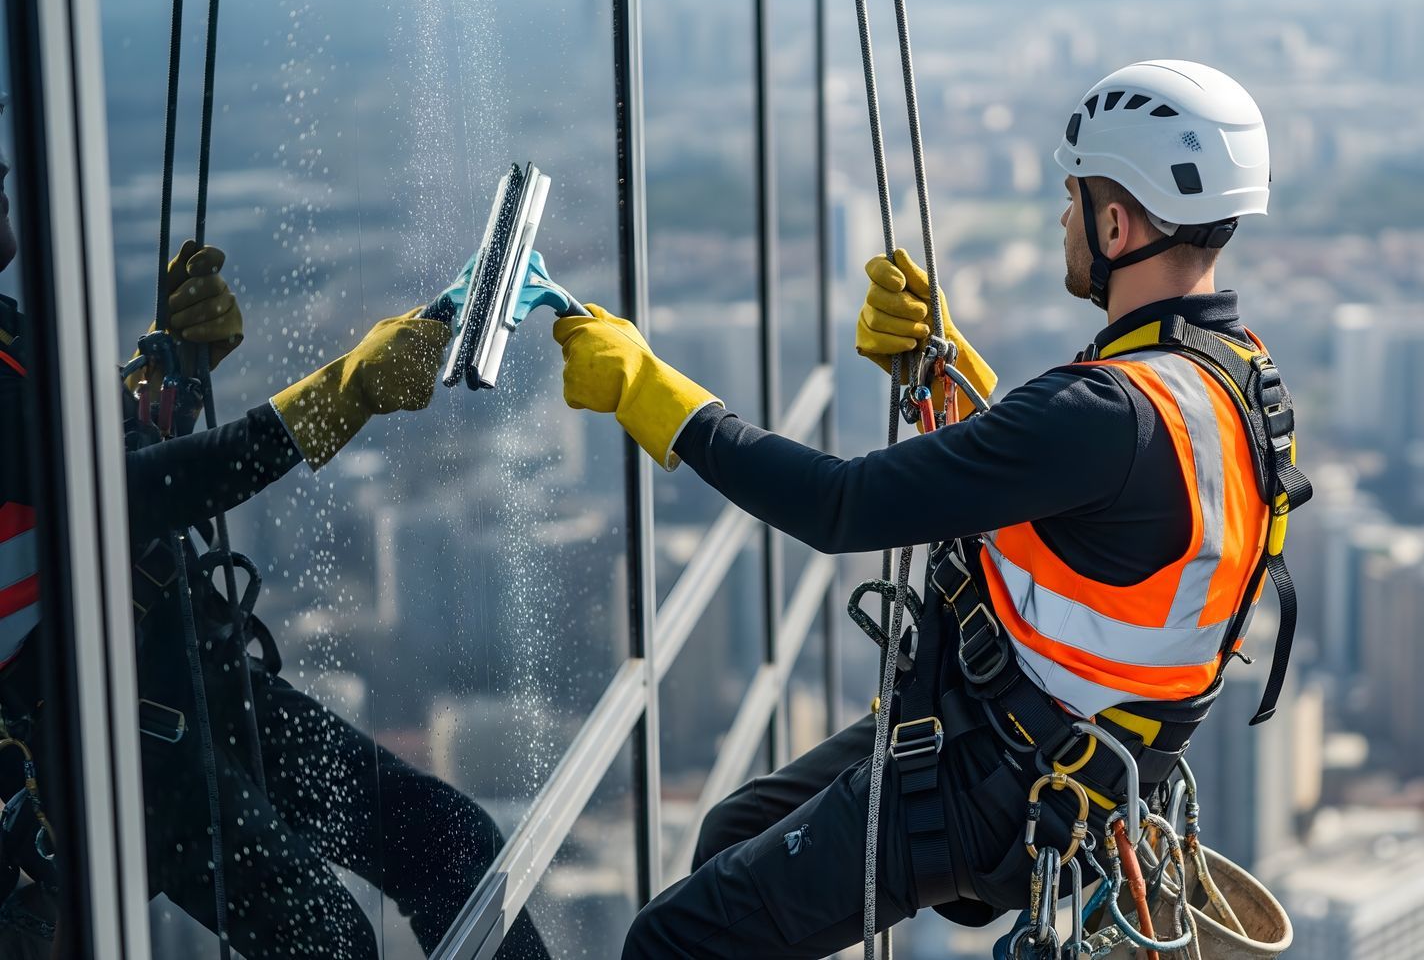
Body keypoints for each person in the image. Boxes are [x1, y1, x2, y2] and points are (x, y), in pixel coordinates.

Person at [553, 59, 1311, 959]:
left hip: (990, 777)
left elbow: (841, 507)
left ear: (1116, 222)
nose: (1061, 219)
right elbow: (1101, 517)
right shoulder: (1237, 384)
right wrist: (955, 379)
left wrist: (657, 397)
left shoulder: (1099, 414)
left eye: (1073, 199)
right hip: (1053, 757)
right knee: (729, 835)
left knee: (671, 941)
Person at [0, 148, 551, 958]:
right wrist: (345, 393)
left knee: (450, 843)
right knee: (331, 943)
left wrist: (168, 375)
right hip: (107, 744)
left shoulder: (8, 331)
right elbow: (121, 494)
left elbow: (65, 465)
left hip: (175, 672)